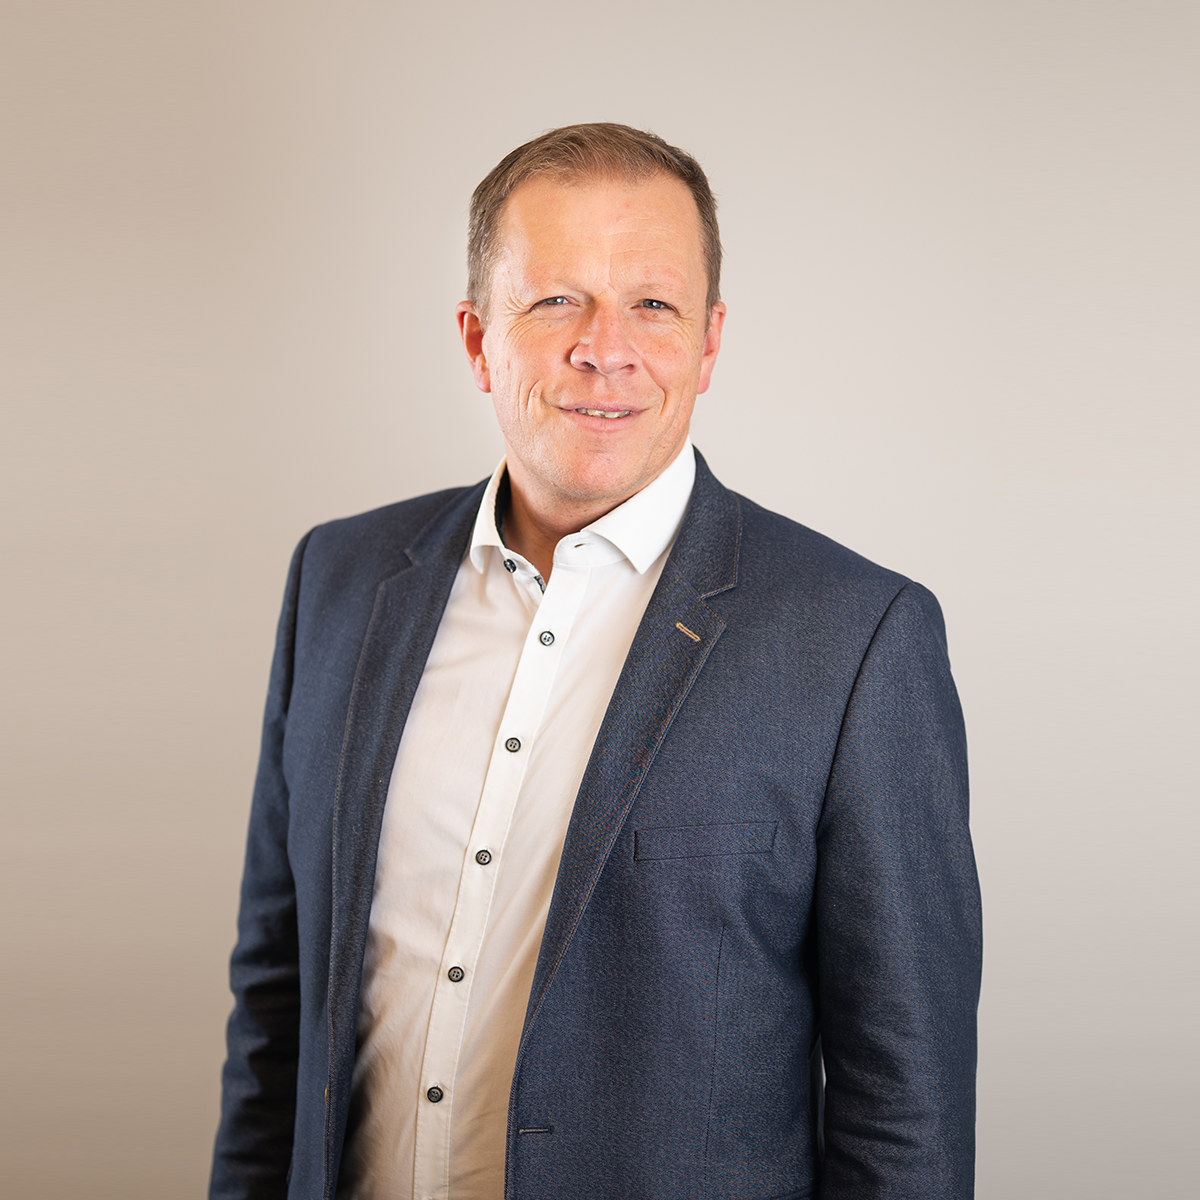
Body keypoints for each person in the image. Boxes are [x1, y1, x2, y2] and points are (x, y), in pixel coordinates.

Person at [210, 123, 982, 1200]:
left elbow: (905, 1110)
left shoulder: (856, 640)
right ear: (478, 339)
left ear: (710, 342)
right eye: (555, 300)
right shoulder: (337, 582)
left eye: (652, 304)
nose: (603, 349)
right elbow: (276, 1008)